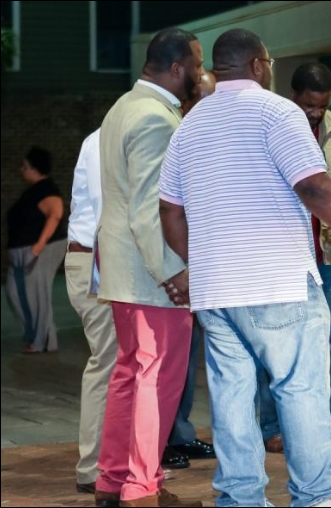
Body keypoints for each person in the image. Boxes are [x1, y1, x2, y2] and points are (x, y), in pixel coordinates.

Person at [159, 28, 331, 508]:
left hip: (217, 293)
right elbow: (314, 186)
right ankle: (316, 496)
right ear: (258, 65)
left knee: (232, 397)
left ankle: (239, 499)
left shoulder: (188, 125)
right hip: (278, 282)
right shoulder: (278, 112)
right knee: (301, 389)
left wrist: (203, 261)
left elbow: (169, 210)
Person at [93, 27, 204, 508]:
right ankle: (142, 488)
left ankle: (113, 479)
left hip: (125, 271)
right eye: (197, 63)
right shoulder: (156, 118)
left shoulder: (123, 107)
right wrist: (173, 272)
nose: (201, 71)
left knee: (129, 376)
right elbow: (148, 208)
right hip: (149, 273)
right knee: (156, 380)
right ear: (178, 68)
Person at [261, 62, 331, 455]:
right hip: (283, 256)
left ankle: (321, 428)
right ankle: (273, 427)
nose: (316, 113)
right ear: (293, 96)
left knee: (326, 345)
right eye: (308, 105)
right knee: (278, 345)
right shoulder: (274, 124)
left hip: (327, 256)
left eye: (322, 105)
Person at [163, 70, 218, 468]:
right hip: (176, 268)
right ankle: (164, 439)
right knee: (171, 360)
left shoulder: (213, 139)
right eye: (202, 98)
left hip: (210, 269)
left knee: (191, 357)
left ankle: (179, 433)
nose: (208, 106)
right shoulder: (175, 137)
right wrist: (181, 267)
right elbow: (165, 211)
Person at [64, 128, 118, 495]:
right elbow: (106, 211)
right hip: (97, 261)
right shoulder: (105, 139)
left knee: (116, 364)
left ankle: (113, 464)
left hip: (102, 259)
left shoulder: (108, 135)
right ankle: (95, 468)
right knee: (108, 363)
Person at [6, 146, 68, 354]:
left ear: (35, 168)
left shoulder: (47, 189)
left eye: (25, 166)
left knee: (37, 295)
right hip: (22, 251)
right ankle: (34, 335)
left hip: (41, 249)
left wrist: (38, 247)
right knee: (15, 293)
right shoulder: (33, 191)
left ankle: (44, 341)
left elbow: (56, 214)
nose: (21, 170)